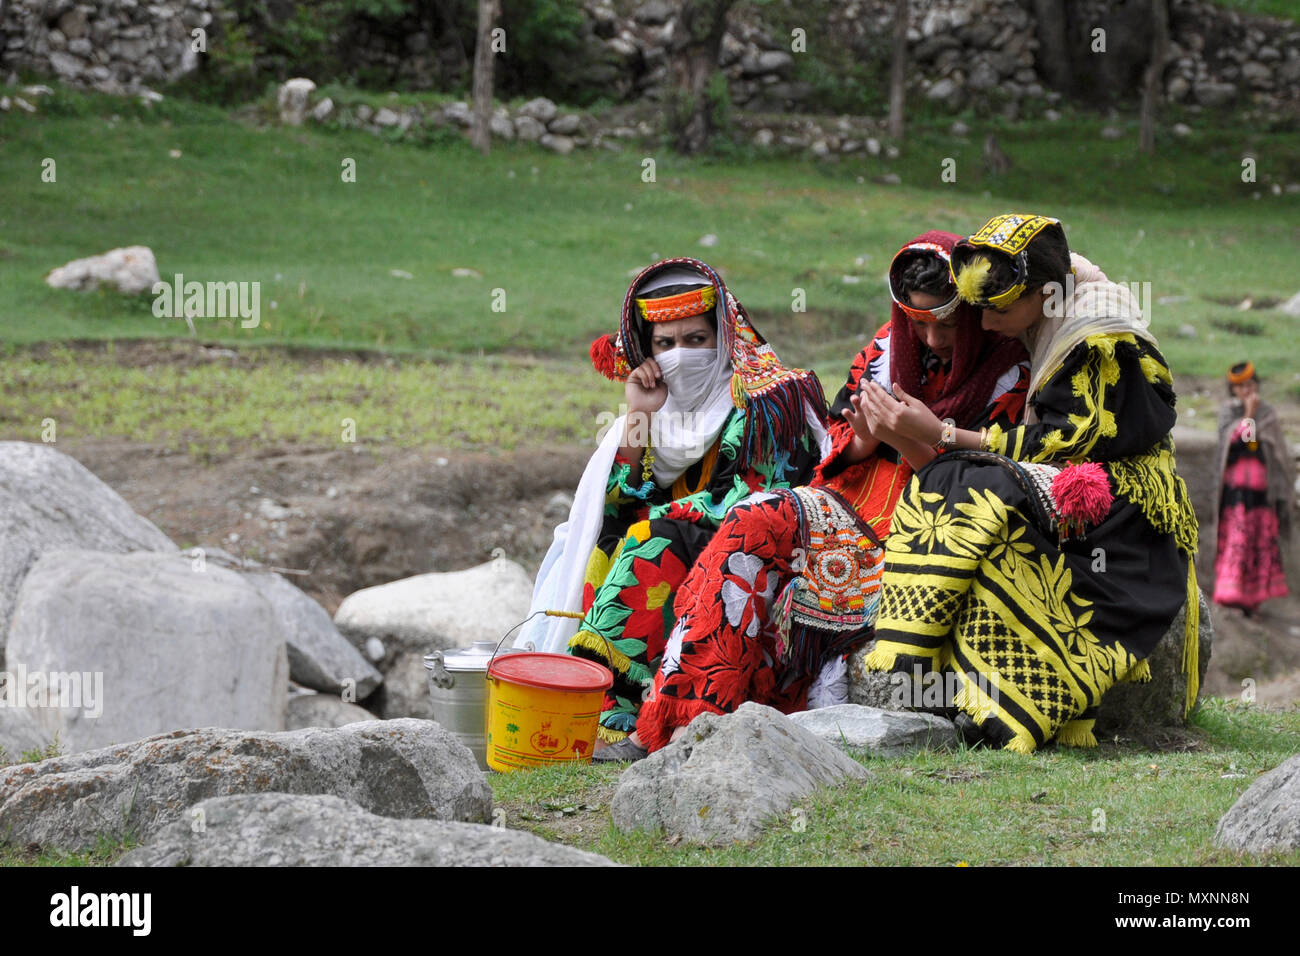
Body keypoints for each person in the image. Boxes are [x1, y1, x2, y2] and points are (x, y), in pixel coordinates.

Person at [604, 230, 1032, 760]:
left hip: (929, 523)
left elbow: (994, 478)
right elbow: (836, 439)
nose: (933, 339)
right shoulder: (885, 350)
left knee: (715, 530)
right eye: (917, 322)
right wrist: (866, 441)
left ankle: (699, 721)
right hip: (844, 501)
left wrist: (914, 437)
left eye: (946, 323)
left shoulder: (1009, 372)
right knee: (747, 525)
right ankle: (678, 717)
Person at [858, 213, 1200, 754]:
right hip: (1078, 472)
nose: (987, 326)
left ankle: (1002, 692)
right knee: (961, 480)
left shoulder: (1097, 337)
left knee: (973, 487)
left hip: (1123, 494)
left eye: (998, 311)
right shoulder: (1050, 312)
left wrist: (945, 433)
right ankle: (946, 667)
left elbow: (1068, 440)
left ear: (1045, 293)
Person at [518, 257, 829, 747]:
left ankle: (616, 714)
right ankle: (576, 695)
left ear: (724, 338)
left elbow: (762, 501)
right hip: (676, 538)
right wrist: (638, 415)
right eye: (665, 344)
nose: (680, 356)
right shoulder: (655, 409)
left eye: (696, 340)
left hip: (750, 547)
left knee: (649, 540)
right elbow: (620, 498)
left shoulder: (770, 402)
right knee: (605, 542)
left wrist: (665, 517)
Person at [1212, 361, 1293, 615]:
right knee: (1238, 542)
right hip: (1236, 496)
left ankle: (1253, 603)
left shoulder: (1267, 414)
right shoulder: (1228, 413)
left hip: (1262, 495)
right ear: (1233, 390)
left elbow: (1276, 451)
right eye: (1240, 387)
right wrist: (1248, 415)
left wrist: (1254, 417)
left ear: (1257, 384)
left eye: (1250, 385)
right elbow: (1233, 441)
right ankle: (1229, 596)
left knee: (1260, 545)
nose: (1246, 390)